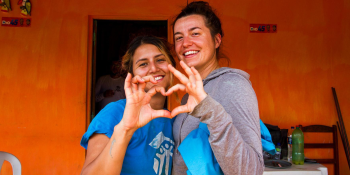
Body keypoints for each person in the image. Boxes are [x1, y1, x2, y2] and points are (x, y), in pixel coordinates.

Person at [166, 1, 264, 175]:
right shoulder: (189, 94)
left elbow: (251, 171)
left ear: (217, 40)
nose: (185, 43)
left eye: (195, 33)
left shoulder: (233, 85)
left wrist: (209, 110)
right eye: (179, 37)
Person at [80, 36, 177, 175]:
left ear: (172, 66)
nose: (154, 68)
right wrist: (126, 129)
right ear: (131, 75)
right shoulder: (114, 113)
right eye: (143, 64)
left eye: (160, 60)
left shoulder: (174, 121)